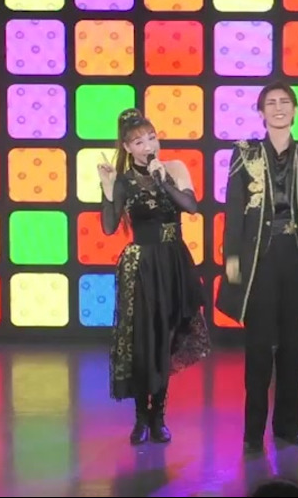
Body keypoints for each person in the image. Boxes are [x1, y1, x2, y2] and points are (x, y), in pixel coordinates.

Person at [215, 81, 298, 454]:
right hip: (259, 260)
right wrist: (232, 256)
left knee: (293, 347)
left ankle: (288, 427)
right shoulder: (245, 153)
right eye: (271, 103)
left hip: (296, 257)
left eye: (285, 102)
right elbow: (234, 208)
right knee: (259, 347)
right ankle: (253, 432)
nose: (278, 108)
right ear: (261, 112)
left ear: (295, 109)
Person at [97, 108, 211, 445]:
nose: (148, 146)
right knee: (141, 342)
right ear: (127, 148)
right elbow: (109, 227)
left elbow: (191, 207)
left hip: (173, 262)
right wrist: (107, 189)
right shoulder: (124, 181)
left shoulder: (174, 168)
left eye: (152, 138)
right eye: (138, 142)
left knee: (166, 338)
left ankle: (159, 415)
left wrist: (162, 180)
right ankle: (141, 418)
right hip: (141, 266)